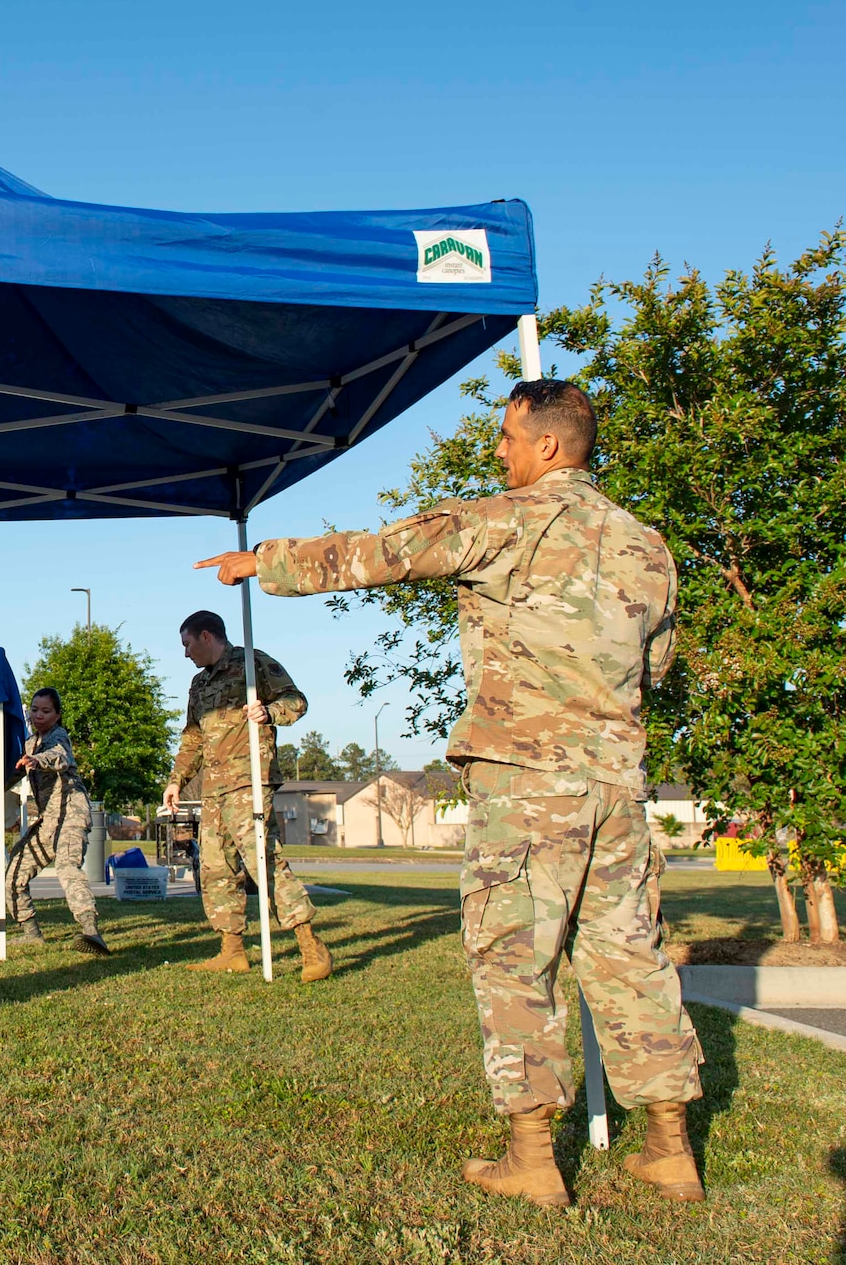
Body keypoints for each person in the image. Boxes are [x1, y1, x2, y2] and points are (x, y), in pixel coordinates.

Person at [197, 378, 704, 1207]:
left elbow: (383, 551)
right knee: (628, 955)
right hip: (617, 782)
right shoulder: (648, 546)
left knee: (514, 959)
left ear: (547, 445)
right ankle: (670, 1148)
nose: (497, 449)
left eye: (507, 435)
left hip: (525, 783)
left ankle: (534, 1157)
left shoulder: (503, 520)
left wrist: (265, 562)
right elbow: (655, 667)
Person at [160, 611, 331, 982]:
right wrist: (176, 781)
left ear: (206, 636)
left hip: (249, 780)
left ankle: (310, 945)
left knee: (261, 860)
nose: (185, 653)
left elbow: (296, 701)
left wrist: (269, 712)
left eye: (187, 644)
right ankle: (232, 950)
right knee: (216, 867)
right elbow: (193, 739)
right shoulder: (198, 684)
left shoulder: (252, 664)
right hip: (213, 788)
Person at [6, 688, 109, 955]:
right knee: (14, 871)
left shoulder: (58, 738)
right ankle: (31, 933)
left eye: (46, 711)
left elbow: (59, 756)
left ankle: (90, 931)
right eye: (35, 710)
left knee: (67, 866)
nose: (39, 716)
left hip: (72, 813)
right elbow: (15, 772)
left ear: (57, 715)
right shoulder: (29, 743)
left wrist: (37, 760)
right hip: (48, 821)